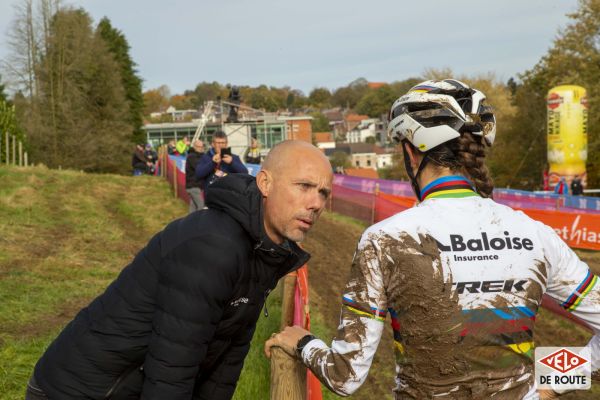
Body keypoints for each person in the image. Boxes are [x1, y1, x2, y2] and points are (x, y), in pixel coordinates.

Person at [266, 80, 600, 399]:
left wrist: (303, 343)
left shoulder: (386, 240)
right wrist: (550, 380)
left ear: (411, 153)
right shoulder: (536, 233)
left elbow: (346, 375)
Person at [26, 140, 333, 400]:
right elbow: (172, 368)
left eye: (323, 193)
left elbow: (228, 355)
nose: (315, 203)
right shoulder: (215, 246)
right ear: (265, 183)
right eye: (304, 186)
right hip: (77, 389)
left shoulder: (263, 249)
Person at [185, 139, 206, 213]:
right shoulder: (192, 156)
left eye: (202, 146)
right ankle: (200, 223)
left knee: (193, 207)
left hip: (196, 186)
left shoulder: (200, 156)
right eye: (199, 147)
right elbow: (199, 168)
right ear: (194, 147)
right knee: (201, 206)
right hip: (193, 185)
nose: (201, 148)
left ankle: (190, 223)